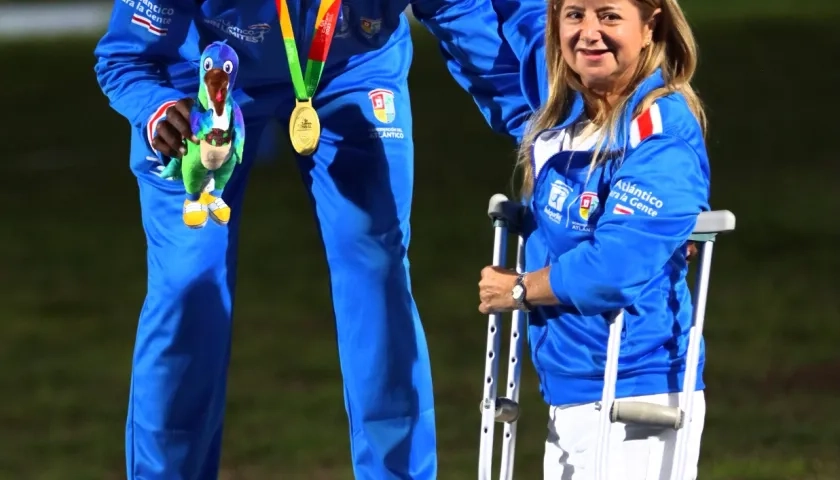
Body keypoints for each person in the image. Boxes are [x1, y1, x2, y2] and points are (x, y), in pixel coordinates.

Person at [92, 0, 534, 478]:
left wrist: (543, 124)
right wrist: (155, 107)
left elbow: (463, 9)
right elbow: (127, 55)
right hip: (206, 80)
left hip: (352, 64)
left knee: (376, 267)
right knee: (186, 284)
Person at [476, 0, 710, 478]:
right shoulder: (569, 119)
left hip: (636, 395)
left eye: (608, 16)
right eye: (575, 15)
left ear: (650, 27)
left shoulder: (659, 129)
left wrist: (519, 289)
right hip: (570, 389)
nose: (589, 32)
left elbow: (614, 268)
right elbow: (505, 33)